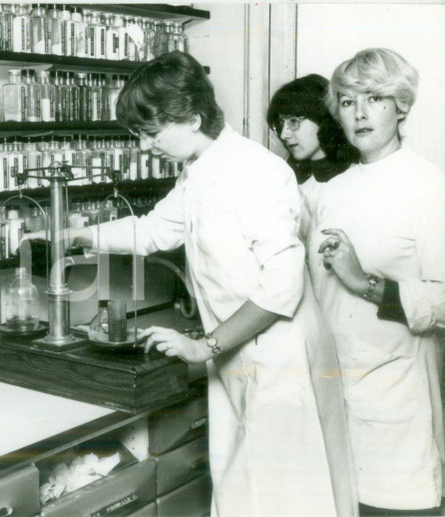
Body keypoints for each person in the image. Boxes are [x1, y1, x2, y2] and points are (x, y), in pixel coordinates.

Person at [46, 51, 357, 516]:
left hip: (281, 355)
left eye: (151, 134)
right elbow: (153, 230)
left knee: (289, 499)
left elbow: (281, 287)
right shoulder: (200, 170)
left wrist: (206, 346)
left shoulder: (256, 172)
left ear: (192, 119)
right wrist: (76, 236)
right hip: (240, 349)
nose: (145, 147)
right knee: (242, 493)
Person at [311, 48, 445, 514]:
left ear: (402, 106)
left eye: (374, 98)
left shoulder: (428, 187)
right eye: (348, 102)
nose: (360, 112)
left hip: (398, 398)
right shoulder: (333, 191)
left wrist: (362, 282)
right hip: (334, 386)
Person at [267, 74, 359, 240]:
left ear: (322, 118)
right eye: (280, 124)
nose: (284, 134)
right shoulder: (289, 181)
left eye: (293, 121)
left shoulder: (355, 180)